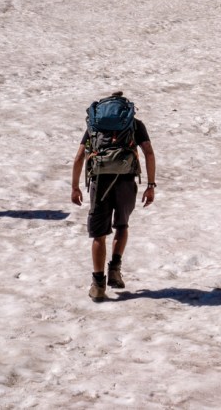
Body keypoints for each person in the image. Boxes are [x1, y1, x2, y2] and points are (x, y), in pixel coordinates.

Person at [71, 92, 156, 302]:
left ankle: (98, 284)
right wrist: (151, 185)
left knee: (99, 234)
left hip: (100, 182)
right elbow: (149, 153)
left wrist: (75, 187)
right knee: (121, 225)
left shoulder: (95, 124)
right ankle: (115, 271)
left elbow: (80, 156)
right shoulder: (134, 124)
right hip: (126, 180)